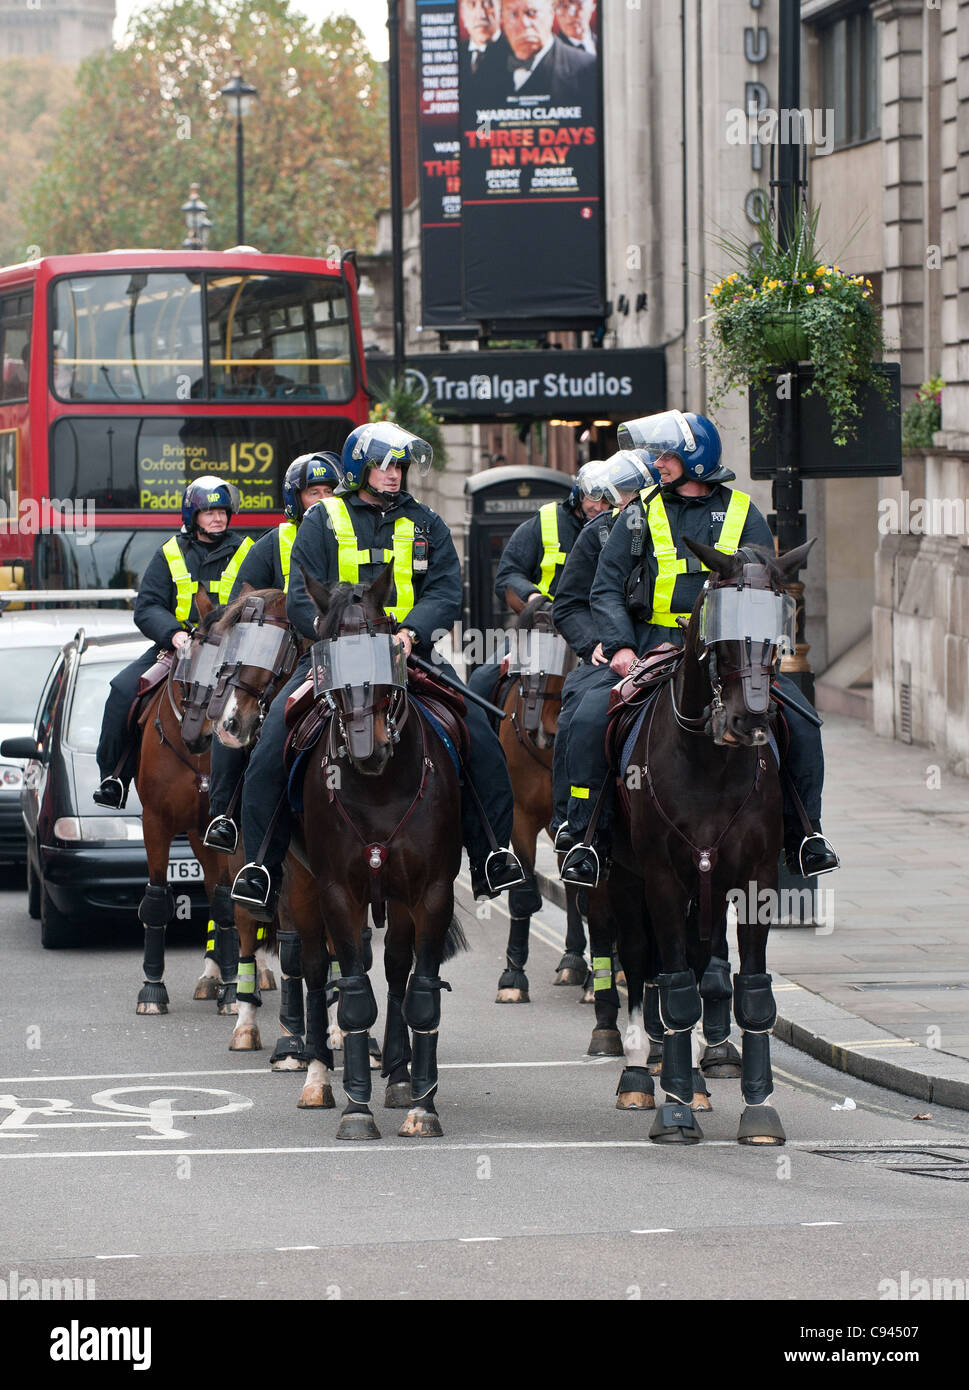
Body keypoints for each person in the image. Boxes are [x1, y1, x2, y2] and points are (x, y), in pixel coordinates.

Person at [230, 422, 526, 920]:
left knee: (481, 736)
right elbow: (302, 594)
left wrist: (410, 633)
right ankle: (261, 867)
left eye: (399, 466)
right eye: (384, 465)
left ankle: (491, 854)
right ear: (360, 467)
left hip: (408, 654)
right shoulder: (323, 519)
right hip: (332, 656)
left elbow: (446, 592)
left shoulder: (428, 523)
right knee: (270, 744)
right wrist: (333, 636)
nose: (393, 475)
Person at [559, 410, 840, 887]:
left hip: (729, 655)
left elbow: (766, 585)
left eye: (666, 455)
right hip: (653, 647)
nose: (657, 462)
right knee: (585, 718)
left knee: (803, 725)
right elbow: (604, 589)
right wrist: (621, 647)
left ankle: (805, 835)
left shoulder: (742, 511)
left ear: (694, 458)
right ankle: (586, 835)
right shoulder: (638, 513)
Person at [203, 451, 343, 853]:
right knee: (233, 717)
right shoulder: (273, 543)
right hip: (278, 657)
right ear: (294, 499)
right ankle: (225, 816)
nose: (321, 499)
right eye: (312, 492)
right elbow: (237, 605)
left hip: (338, 650)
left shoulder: (348, 535)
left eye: (329, 491)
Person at [93, 477, 254, 808]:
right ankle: (114, 777)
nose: (218, 518)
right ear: (193, 515)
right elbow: (148, 605)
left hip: (234, 653)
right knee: (123, 690)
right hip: (178, 648)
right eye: (209, 511)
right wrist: (173, 633)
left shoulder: (249, 550)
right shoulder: (169, 552)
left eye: (222, 511)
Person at [548, 449, 658, 849]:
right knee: (579, 715)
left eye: (635, 493)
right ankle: (574, 820)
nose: (629, 503)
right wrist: (599, 642)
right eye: (623, 495)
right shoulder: (597, 534)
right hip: (615, 654)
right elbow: (570, 603)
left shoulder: (675, 526)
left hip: (677, 646)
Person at [466, 472, 610, 708]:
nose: (600, 507)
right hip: (543, 627)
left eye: (607, 501)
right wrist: (533, 599)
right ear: (578, 495)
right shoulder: (546, 521)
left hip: (595, 630)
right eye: (593, 498)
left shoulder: (616, 525)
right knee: (481, 682)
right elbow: (507, 574)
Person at [472, 0, 596, 107]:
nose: (524, 24)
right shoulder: (485, 70)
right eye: (513, 14)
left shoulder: (587, 69)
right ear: (502, 19)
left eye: (532, 13)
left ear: (551, 13)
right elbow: (483, 127)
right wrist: (486, 134)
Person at [459, 0, 509, 80]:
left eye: (488, 3)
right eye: (472, 4)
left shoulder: (515, 54)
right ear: (463, 14)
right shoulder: (457, 53)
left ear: (501, 11)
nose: (480, 15)